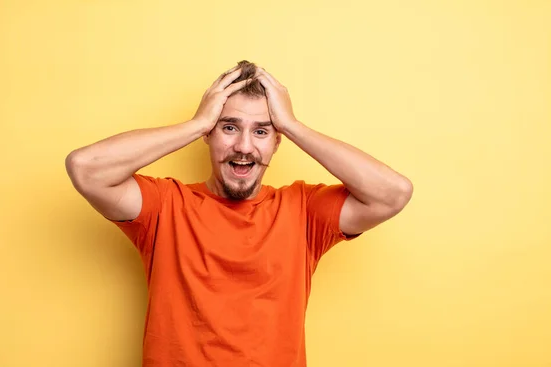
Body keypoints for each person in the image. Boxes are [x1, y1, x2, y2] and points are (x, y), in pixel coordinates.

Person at [65, 60, 413, 366]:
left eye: (261, 131)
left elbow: (392, 193)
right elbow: (86, 168)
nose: (244, 146)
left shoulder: (303, 211)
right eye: (228, 127)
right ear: (209, 135)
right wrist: (196, 123)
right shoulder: (165, 206)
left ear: (277, 142)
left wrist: (291, 125)